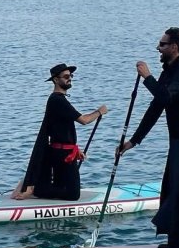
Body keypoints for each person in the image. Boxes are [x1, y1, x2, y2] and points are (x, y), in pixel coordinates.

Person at [118, 27, 179, 248]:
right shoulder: (169, 73)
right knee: (170, 188)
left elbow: (167, 98)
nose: (157, 48)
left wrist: (147, 77)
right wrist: (133, 141)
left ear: (175, 47)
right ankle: (178, 241)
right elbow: (156, 108)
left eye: (162, 44)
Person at [12, 63, 108, 201]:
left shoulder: (58, 100)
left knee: (64, 188)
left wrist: (75, 149)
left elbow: (60, 129)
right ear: (56, 80)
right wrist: (100, 112)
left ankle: (35, 185)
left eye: (71, 76)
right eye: (66, 76)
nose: (70, 79)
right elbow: (84, 120)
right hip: (62, 155)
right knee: (73, 194)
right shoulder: (58, 101)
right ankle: (35, 188)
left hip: (62, 152)